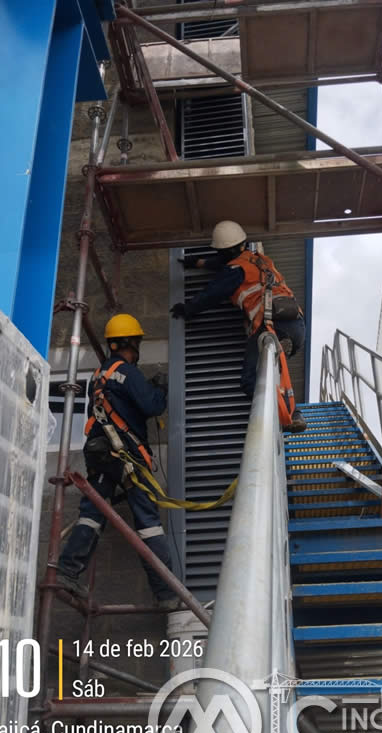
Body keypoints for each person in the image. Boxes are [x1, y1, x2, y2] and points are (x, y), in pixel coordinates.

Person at [56, 313, 179, 609]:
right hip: (126, 455)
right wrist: (160, 388)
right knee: (148, 522)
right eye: (136, 342)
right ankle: (167, 593)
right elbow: (151, 405)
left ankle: (68, 570)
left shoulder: (98, 376)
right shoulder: (128, 372)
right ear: (129, 343)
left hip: (100, 453)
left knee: (93, 513)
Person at [171, 220, 307, 433]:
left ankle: (282, 418)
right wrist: (199, 263)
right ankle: (293, 412)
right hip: (296, 325)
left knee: (251, 380)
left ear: (224, 251)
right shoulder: (261, 260)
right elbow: (228, 263)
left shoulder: (234, 271)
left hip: (270, 325)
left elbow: (213, 293)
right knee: (273, 372)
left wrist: (187, 309)